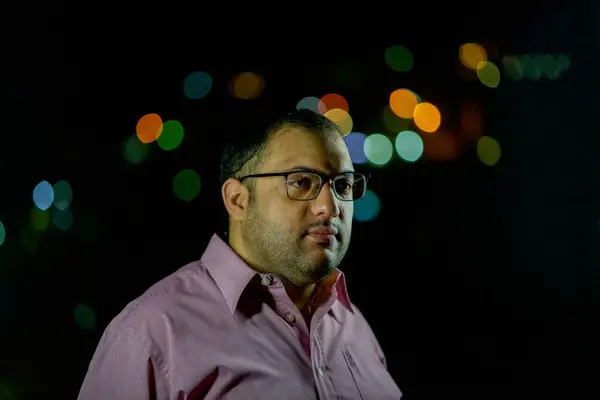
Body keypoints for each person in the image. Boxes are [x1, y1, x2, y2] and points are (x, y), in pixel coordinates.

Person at [78, 109, 402, 399]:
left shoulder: (351, 325)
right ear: (237, 199)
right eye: (302, 182)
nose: (329, 207)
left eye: (343, 186)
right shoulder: (152, 335)